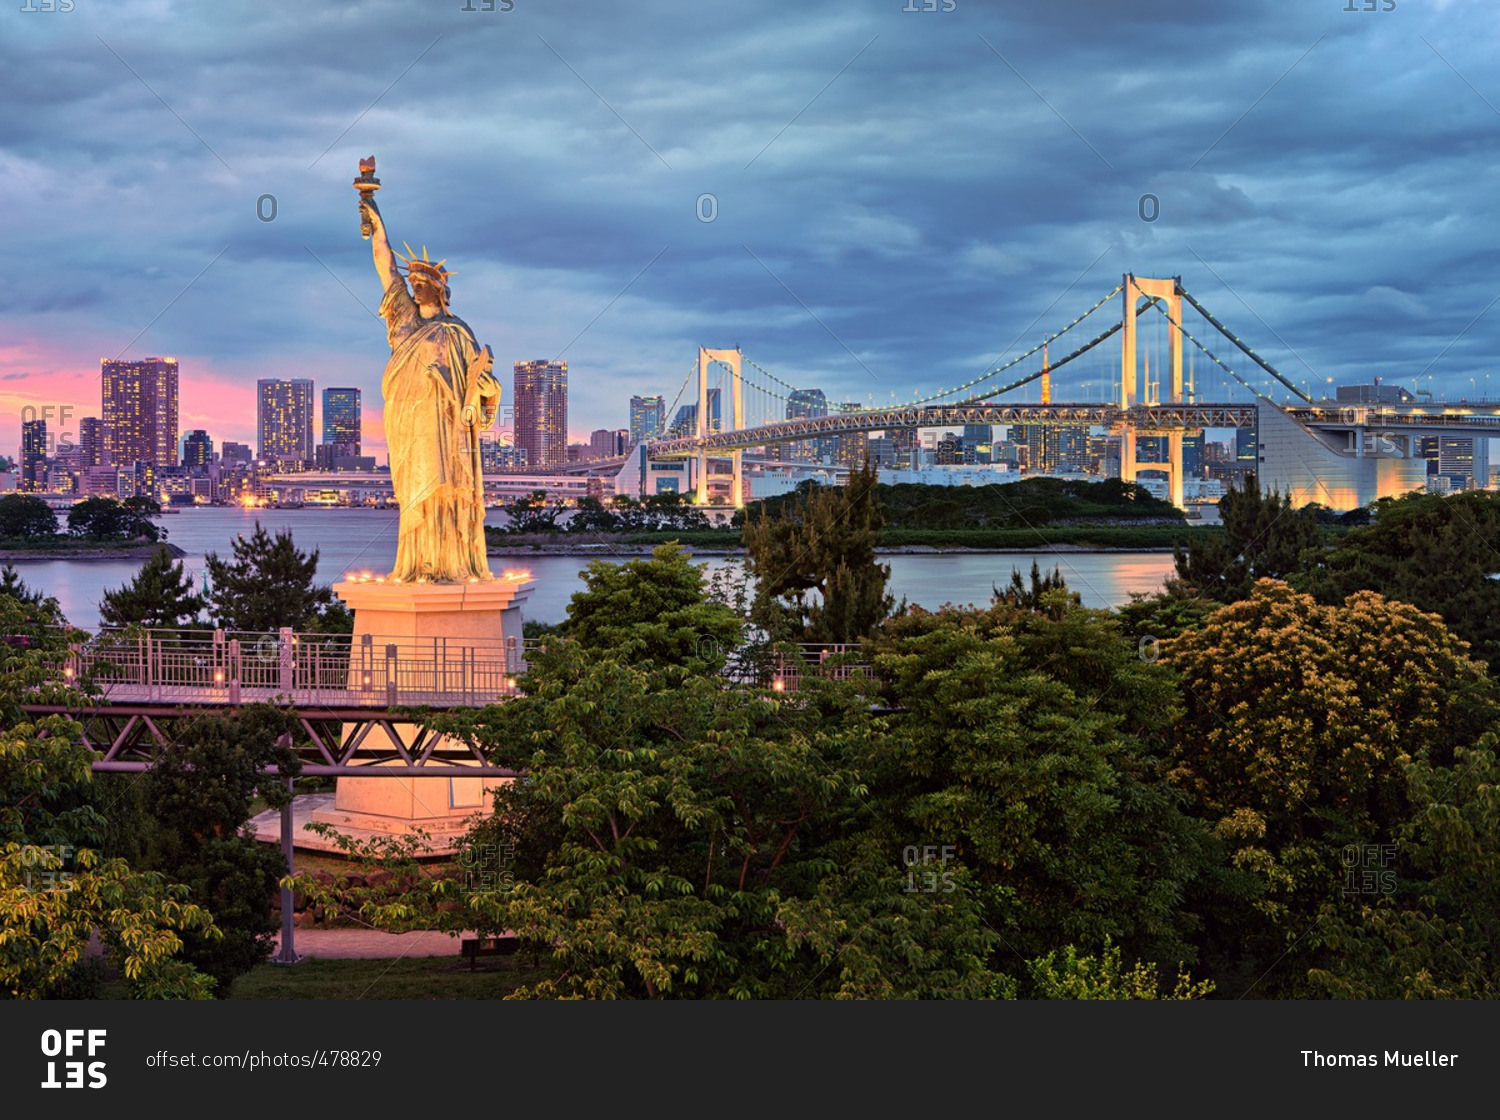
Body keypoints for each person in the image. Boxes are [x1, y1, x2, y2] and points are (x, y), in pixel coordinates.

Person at [360, 195, 500, 582]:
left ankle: (446, 562)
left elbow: (480, 384)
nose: (416, 287)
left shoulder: (458, 332)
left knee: (444, 487)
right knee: (413, 490)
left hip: (445, 422)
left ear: (440, 291)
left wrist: (486, 392)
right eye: (414, 283)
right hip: (408, 422)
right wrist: (377, 223)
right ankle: (418, 561)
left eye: (424, 283)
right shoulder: (404, 320)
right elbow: (386, 268)